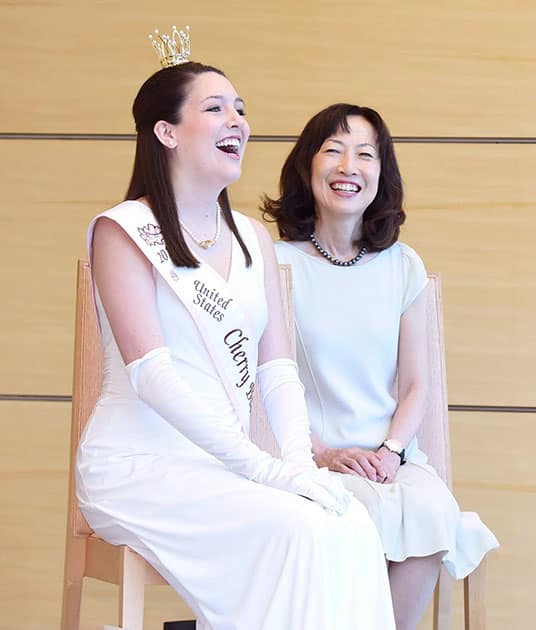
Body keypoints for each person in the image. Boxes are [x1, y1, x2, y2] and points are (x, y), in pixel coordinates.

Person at [77, 47, 394, 629]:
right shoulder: (124, 231)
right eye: (216, 108)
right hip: (140, 466)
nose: (237, 122)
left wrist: (297, 466)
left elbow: (277, 372)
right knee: (299, 532)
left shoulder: (251, 238)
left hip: (227, 467)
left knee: (347, 523)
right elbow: (152, 376)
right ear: (167, 132)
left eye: (240, 110)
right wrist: (268, 471)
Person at [262, 103, 498, 630]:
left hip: (390, 460)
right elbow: (260, 386)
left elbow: (418, 384)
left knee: (432, 512)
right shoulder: (273, 263)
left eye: (365, 154)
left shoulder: (402, 265)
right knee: (350, 517)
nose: (349, 166)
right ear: (306, 166)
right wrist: (320, 454)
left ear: (380, 176)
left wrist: (391, 452)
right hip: (309, 461)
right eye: (333, 151)